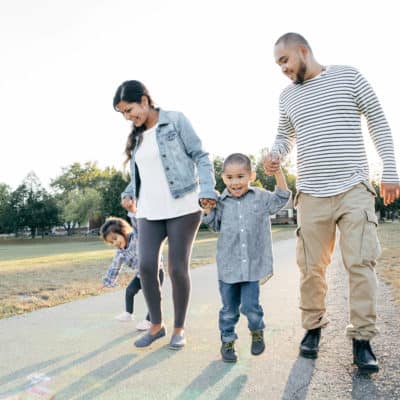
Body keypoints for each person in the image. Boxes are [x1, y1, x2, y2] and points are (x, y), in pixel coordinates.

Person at [265, 32, 400, 373]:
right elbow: (285, 135)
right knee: (311, 268)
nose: (281, 68)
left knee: (360, 263)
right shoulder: (287, 97)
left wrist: (390, 169)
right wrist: (277, 153)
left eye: (284, 60)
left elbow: (379, 121)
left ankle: (362, 340)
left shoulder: (348, 76)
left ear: (303, 51)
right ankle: (312, 328)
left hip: (353, 187)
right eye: (277, 64)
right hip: (310, 192)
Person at [113, 80, 218, 349]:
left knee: (176, 268)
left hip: (183, 205)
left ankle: (179, 329)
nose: (128, 117)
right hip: (149, 209)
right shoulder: (137, 137)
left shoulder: (175, 120)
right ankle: (156, 326)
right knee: (146, 265)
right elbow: (141, 174)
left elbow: (201, 156)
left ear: (145, 100)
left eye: (129, 109)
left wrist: (207, 189)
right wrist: (129, 192)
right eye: (123, 113)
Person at [202, 153, 291, 362]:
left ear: (251, 175)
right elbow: (214, 225)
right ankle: (227, 341)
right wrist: (207, 209)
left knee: (251, 307)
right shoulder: (221, 202)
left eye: (241, 176)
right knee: (229, 310)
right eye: (230, 177)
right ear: (223, 178)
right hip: (229, 267)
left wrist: (278, 171)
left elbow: (282, 197)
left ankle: (257, 330)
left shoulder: (260, 197)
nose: (235, 182)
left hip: (252, 266)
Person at [100, 215, 164, 331]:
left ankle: (150, 320)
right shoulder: (120, 252)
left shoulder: (136, 237)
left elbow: (139, 226)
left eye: (115, 238)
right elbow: (115, 267)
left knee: (152, 297)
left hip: (155, 271)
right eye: (111, 242)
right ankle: (128, 314)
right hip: (141, 275)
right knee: (130, 291)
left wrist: (134, 213)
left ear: (123, 231)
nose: (115, 243)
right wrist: (107, 281)